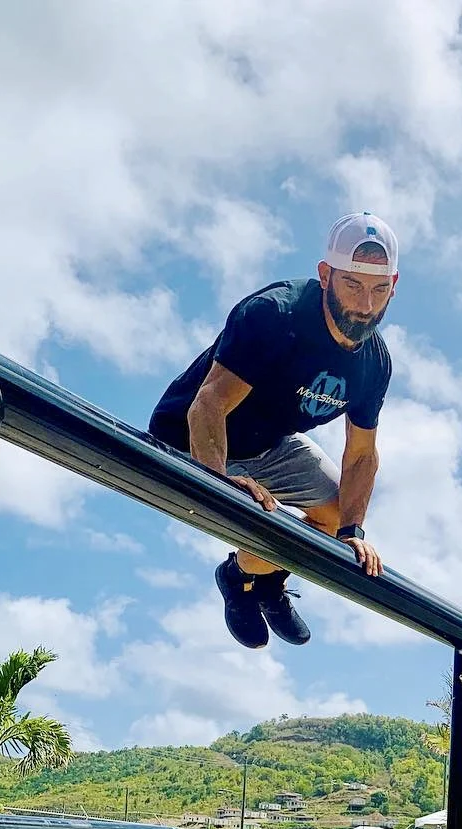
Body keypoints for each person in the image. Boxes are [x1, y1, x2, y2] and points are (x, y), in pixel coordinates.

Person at [149, 211, 397, 649]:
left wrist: (353, 533)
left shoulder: (374, 362)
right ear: (326, 275)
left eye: (378, 290)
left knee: (337, 525)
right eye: (352, 285)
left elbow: (361, 454)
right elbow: (209, 404)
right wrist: (219, 481)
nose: (364, 304)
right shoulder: (274, 314)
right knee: (253, 517)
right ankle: (259, 572)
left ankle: (247, 577)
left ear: (393, 285)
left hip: (271, 442)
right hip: (193, 432)